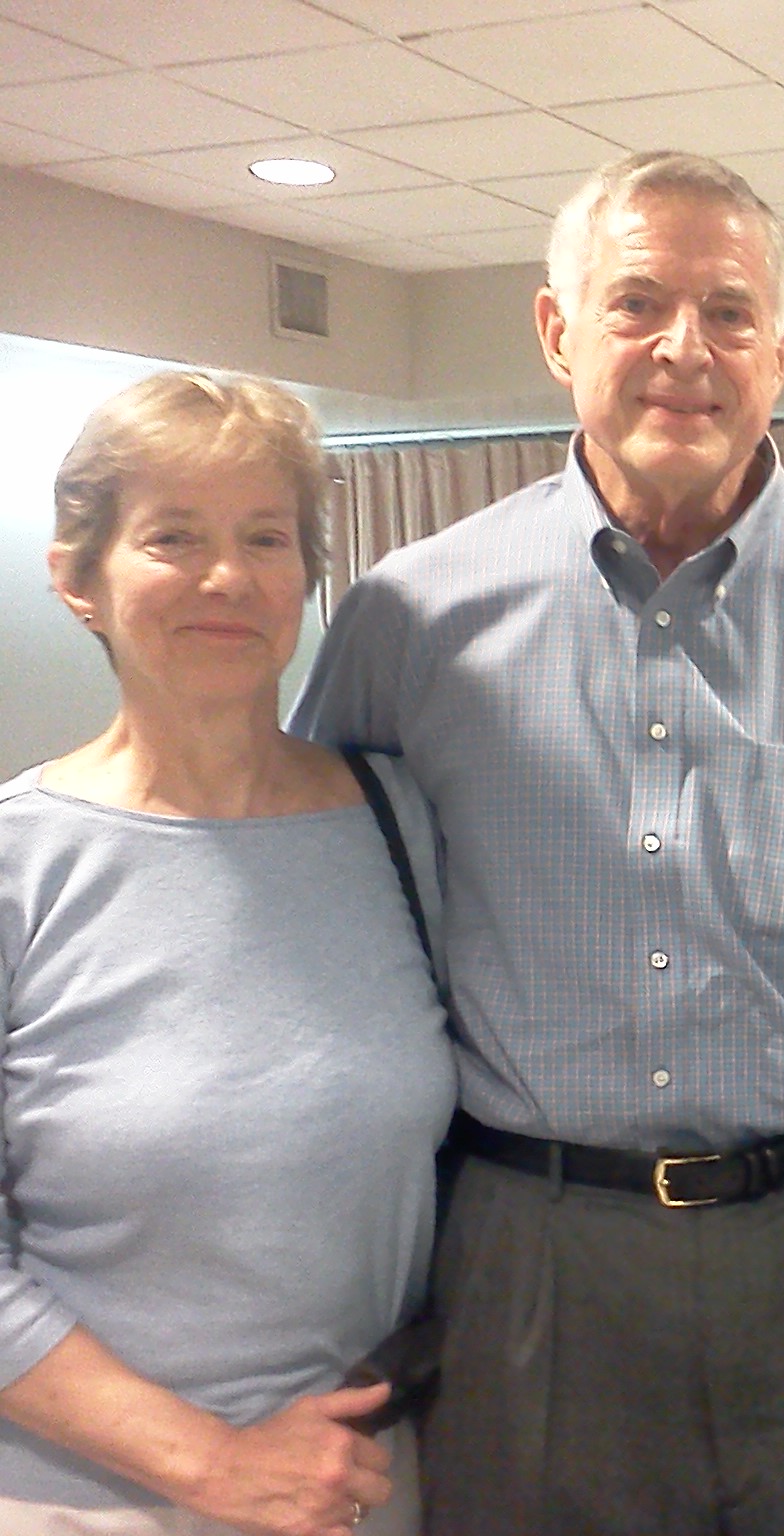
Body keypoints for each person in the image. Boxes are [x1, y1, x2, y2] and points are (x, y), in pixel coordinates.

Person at [290, 150, 784, 1535]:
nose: (684, 349)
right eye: (637, 302)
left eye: (730, 311)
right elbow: (322, 904)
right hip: (539, 1259)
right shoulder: (408, 620)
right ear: (557, 329)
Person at [0, 372, 455, 1535]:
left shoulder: (400, 825)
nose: (227, 578)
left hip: (367, 1487)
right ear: (77, 579)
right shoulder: (19, 864)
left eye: (265, 537)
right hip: (88, 1504)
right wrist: (208, 1464)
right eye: (173, 538)